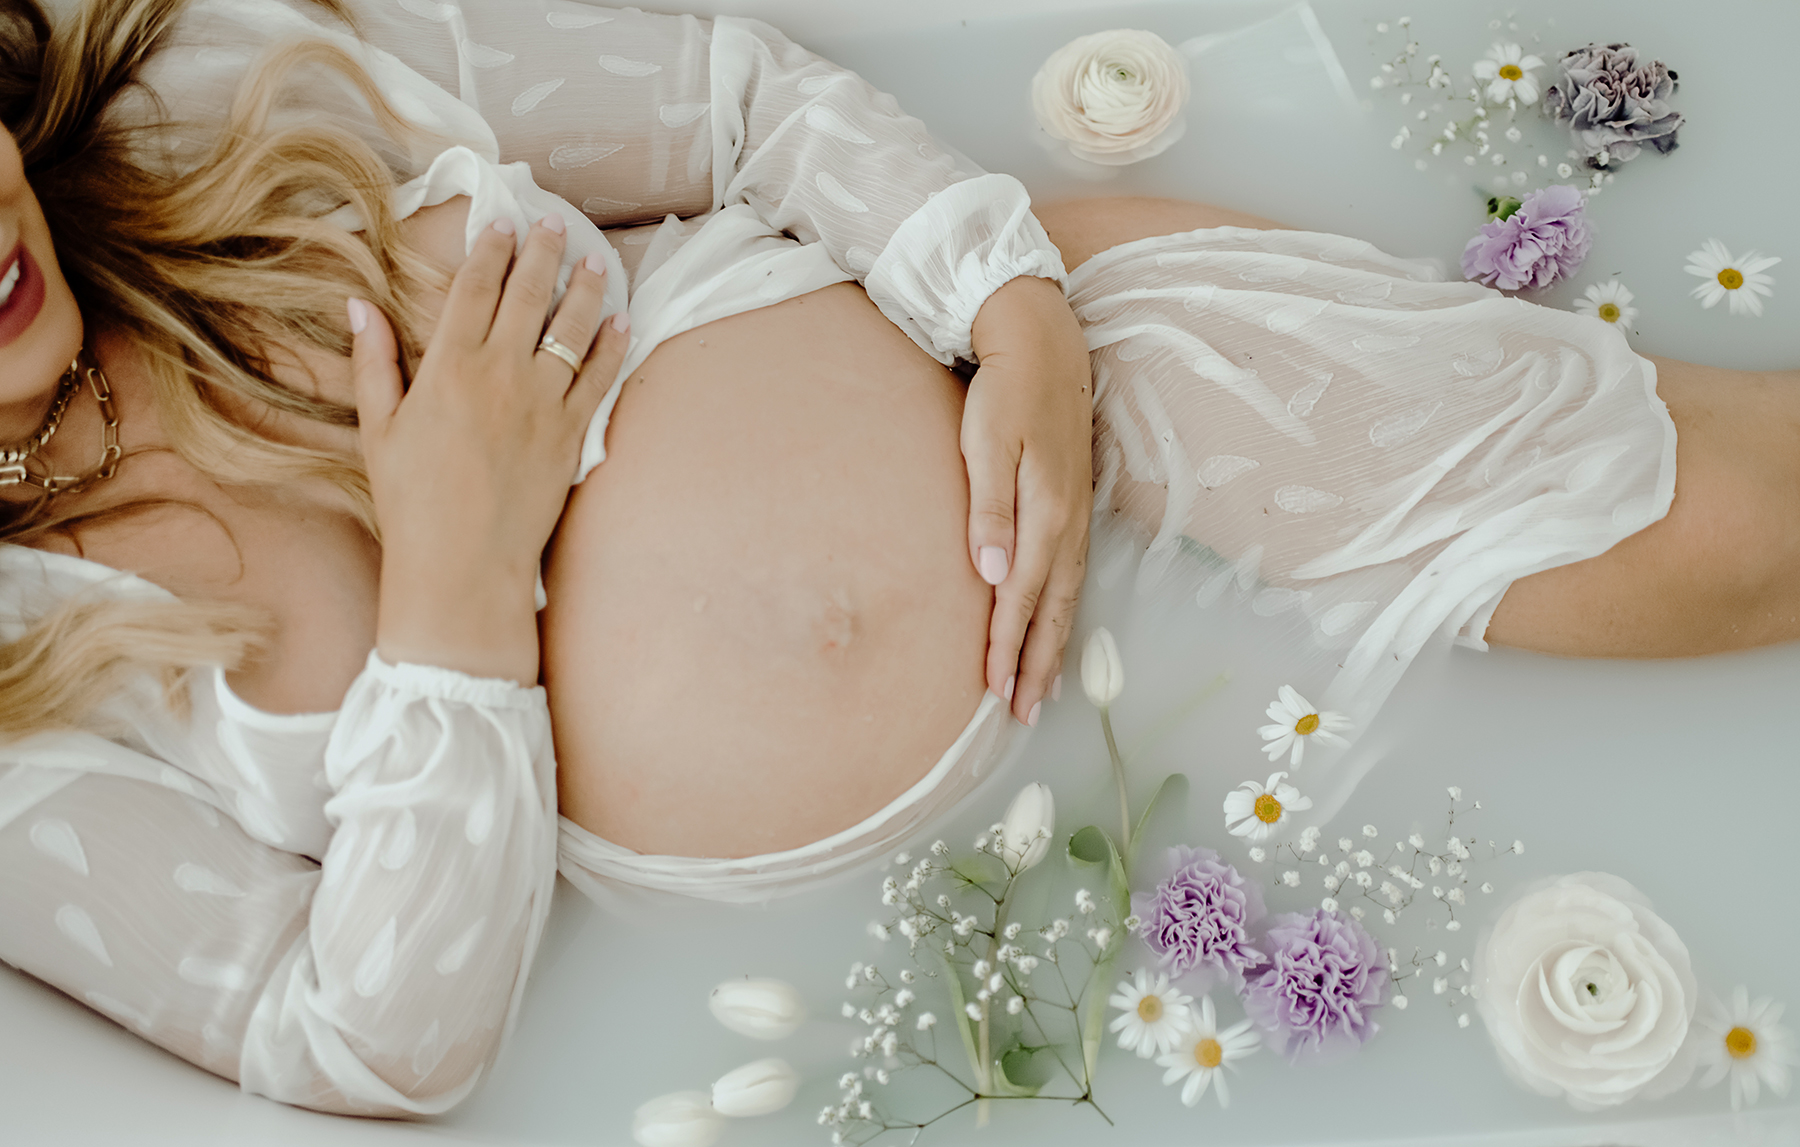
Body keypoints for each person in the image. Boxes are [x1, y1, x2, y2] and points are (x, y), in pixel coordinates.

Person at [0, 0, 1794, 1121]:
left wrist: (1004, 301)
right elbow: (364, 1051)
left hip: (1109, 404)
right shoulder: (19, 725)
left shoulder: (198, 79)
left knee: (1746, 526)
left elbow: (724, 99)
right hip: (1012, 953)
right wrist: (456, 587)